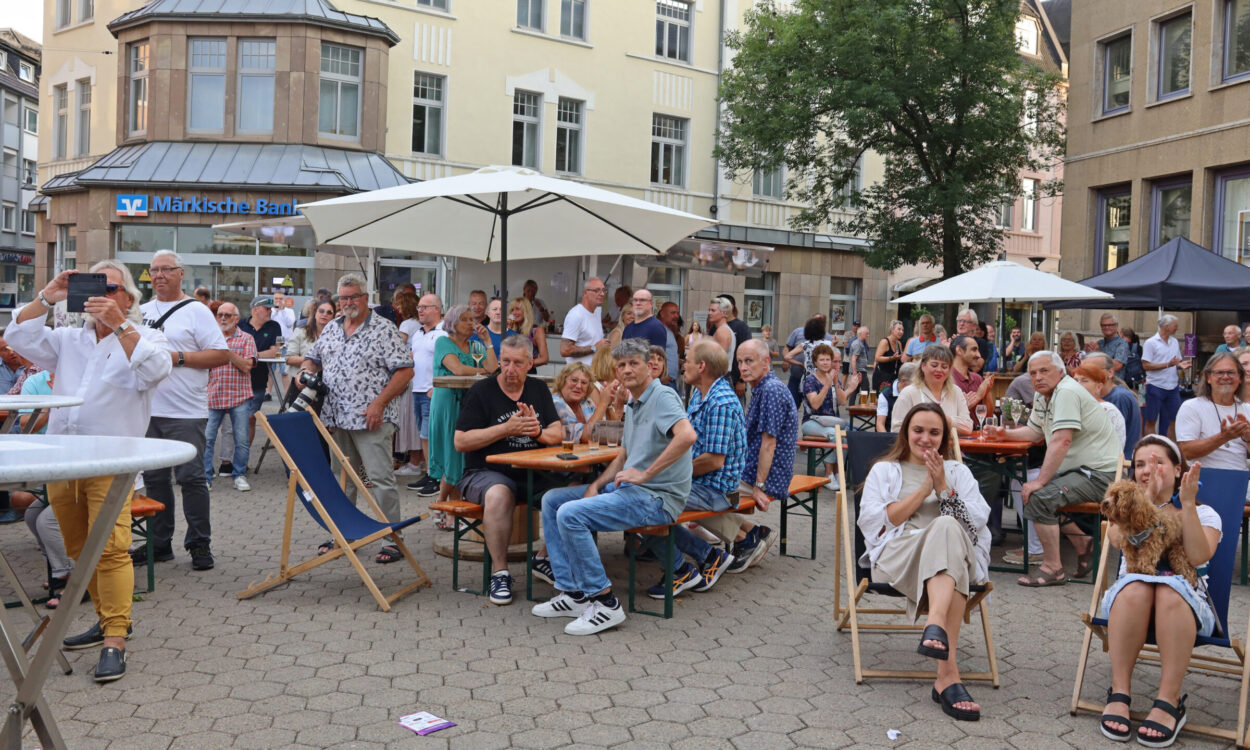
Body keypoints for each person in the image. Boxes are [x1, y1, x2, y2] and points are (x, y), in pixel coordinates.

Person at [6, 262, 172, 682]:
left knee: (111, 549)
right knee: (79, 548)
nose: (99, 294)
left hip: (112, 462)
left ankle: (115, 637)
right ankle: (106, 619)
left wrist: (119, 325)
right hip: (64, 459)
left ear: (129, 298)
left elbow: (156, 369)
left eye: (109, 287)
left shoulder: (146, 337)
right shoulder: (68, 340)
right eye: (92, 285)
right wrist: (49, 294)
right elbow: (17, 336)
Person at [532, 339, 696, 635]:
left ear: (650, 366)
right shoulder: (633, 402)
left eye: (634, 363)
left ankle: (605, 602)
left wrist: (645, 474)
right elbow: (624, 453)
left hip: (658, 498)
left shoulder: (662, 396)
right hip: (631, 492)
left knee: (571, 514)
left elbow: (687, 436)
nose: (627, 369)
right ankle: (573, 593)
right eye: (621, 365)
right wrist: (596, 484)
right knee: (553, 500)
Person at [859, 403, 990, 722]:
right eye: (918, 430)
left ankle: (936, 628)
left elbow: (975, 524)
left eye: (934, 432)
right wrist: (925, 489)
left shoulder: (958, 472)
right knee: (949, 549)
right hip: (899, 555)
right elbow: (878, 523)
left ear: (944, 437)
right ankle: (947, 675)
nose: (926, 438)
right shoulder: (885, 471)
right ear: (906, 432)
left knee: (947, 531)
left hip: (950, 555)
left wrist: (944, 487)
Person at [1097, 436, 1222, 745]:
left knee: (1168, 590)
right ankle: (1119, 692)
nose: (1147, 470)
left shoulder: (1206, 513)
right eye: (1140, 464)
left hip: (1184, 607)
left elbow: (1197, 556)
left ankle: (1169, 701)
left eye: (1157, 463)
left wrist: (1187, 504)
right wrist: (1146, 500)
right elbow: (1117, 539)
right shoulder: (1123, 512)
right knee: (1138, 587)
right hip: (1130, 601)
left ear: (1178, 470)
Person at [302, 273, 414, 564]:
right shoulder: (332, 327)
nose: (348, 302)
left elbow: (405, 370)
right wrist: (307, 370)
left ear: (365, 298)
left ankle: (392, 538)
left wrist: (379, 403)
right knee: (342, 479)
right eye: (343, 298)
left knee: (380, 479)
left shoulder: (384, 328)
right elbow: (313, 358)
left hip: (372, 417)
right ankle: (344, 534)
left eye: (353, 297)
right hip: (336, 417)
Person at [983, 351, 1121, 587]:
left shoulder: (1066, 392)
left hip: (1101, 475)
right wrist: (1004, 434)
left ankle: (1053, 568)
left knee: (1040, 496)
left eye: (1044, 371)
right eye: (1033, 373)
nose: (1038, 377)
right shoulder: (1044, 394)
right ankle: (1083, 544)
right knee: (1037, 491)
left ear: (1061, 372)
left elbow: (1061, 440)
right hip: (1080, 471)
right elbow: (1035, 432)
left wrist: (1040, 481)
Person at [137, 250, 229, 572]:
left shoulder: (197, 311)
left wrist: (177, 358)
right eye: (154, 270)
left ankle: (199, 543)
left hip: (186, 411)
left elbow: (221, 354)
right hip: (147, 409)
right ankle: (159, 543)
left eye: (166, 269)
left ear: (180, 273)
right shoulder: (140, 311)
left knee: (191, 478)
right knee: (155, 479)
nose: (159, 275)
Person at [454, 335, 563, 605]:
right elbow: (461, 441)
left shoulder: (538, 389)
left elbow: (557, 432)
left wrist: (537, 432)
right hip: (485, 471)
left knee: (572, 490)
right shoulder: (482, 391)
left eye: (517, 363)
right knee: (499, 494)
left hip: (533, 470)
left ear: (530, 364)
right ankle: (500, 573)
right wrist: (506, 429)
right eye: (505, 362)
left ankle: (543, 558)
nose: (510, 369)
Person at [639, 339, 745, 599]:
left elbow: (713, 461)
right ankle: (708, 556)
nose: (682, 364)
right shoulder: (700, 392)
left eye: (687, 360)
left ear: (702, 366)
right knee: (635, 496)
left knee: (641, 504)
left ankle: (682, 569)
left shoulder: (720, 402)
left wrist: (665, 472)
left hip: (715, 490)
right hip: (698, 482)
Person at [428, 304, 499, 505]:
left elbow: (493, 368)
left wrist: (487, 342)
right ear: (453, 323)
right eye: (465, 319)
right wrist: (483, 372)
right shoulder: (443, 342)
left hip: (469, 403)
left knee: (462, 456)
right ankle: (445, 503)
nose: (471, 323)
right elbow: (458, 369)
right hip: (448, 404)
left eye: (472, 319)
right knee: (452, 454)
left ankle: (445, 503)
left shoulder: (476, 345)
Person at [1175, 352, 1250, 500]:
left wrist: (1248, 439)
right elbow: (1187, 451)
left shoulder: (1247, 409)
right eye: (1219, 373)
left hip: (1240, 481)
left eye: (1231, 372)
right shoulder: (1192, 407)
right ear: (1208, 377)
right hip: (1204, 481)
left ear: (1240, 378)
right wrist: (1224, 437)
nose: (1225, 377)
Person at [204, 303, 258, 491]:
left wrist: (226, 352)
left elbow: (247, 366)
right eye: (220, 315)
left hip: (239, 396)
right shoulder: (210, 338)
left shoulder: (247, 338)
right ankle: (205, 477)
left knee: (241, 439)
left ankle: (239, 475)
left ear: (236, 318)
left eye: (227, 315)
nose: (223, 318)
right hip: (214, 395)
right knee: (207, 438)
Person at [404, 294, 448, 498]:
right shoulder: (418, 334)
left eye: (424, 307)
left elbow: (448, 363)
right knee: (423, 435)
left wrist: (438, 386)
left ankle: (437, 477)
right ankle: (430, 473)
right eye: (419, 307)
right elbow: (413, 358)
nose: (420, 310)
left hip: (433, 390)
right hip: (417, 389)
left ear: (437, 309)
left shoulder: (443, 333)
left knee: (431, 435)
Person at [801, 343, 859, 485]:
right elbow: (815, 404)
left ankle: (838, 473)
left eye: (828, 359)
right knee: (834, 435)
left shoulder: (834, 379)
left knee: (848, 435)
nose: (825, 362)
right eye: (822, 360)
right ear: (815, 362)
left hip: (831, 422)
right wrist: (827, 384)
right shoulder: (809, 380)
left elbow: (842, 401)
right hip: (811, 422)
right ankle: (828, 475)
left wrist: (836, 383)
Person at [891, 345, 972, 436]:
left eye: (944, 367)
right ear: (923, 366)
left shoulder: (956, 391)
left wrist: (945, 419)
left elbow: (968, 427)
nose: (939, 370)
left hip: (951, 444)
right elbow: (897, 429)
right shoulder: (908, 393)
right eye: (934, 365)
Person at [238, 296, 283, 444]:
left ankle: (243, 455)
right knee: (235, 420)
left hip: (258, 381)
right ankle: (233, 454)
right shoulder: (240, 324)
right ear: (255, 310)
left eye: (271, 309)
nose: (270, 312)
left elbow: (275, 351)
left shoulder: (274, 326)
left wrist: (253, 356)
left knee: (251, 418)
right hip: (237, 380)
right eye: (267, 309)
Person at [1085, 351, 1142, 460]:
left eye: (1093, 370)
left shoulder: (1119, 397)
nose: (1086, 375)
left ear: (1110, 372)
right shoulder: (1108, 395)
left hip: (1118, 463)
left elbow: (1110, 440)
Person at [1143, 315, 1191, 437]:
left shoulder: (1174, 342)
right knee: (1151, 420)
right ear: (1167, 326)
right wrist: (1168, 364)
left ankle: (1171, 446)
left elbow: (1175, 362)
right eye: (1175, 326)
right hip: (1155, 386)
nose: (1177, 328)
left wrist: (1180, 365)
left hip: (1172, 387)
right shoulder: (1150, 343)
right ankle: (1151, 445)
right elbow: (1146, 365)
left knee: (1175, 420)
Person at [1072, 362, 1127, 453]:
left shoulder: (1106, 409)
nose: (1078, 384)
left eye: (1084, 380)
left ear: (1098, 387)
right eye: (1075, 380)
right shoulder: (1076, 407)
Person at [560, 278, 609, 365]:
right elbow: (565, 350)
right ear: (585, 293)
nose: (602, 294)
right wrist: (594, 347)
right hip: (579, 372)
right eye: (597, 290)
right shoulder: (576, 315)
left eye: (603, 290)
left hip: (594, 371)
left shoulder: (597, 312)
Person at [949, 335, 994, 426]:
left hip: (977, 433)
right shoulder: (946, 379)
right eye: (974, 350)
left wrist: (986, 393)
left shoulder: (978, 378)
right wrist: (978, 396)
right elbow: (948, 416)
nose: (979, 355)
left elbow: (988, 416)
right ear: (959, 350)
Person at [719, 294, 755, 397]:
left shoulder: (741, 327)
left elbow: (748, 354)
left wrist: (742, 380)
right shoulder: (716, 327)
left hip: (735, 380)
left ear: (730, 307)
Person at [506, 296, 549, 371]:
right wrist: (507, 328)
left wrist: (524, 365)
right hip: (509, 371)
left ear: (526, 311)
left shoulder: (536, 330)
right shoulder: (508, 329)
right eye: (512, 310)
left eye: (517, 309)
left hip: (527, 372)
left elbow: (544, 359)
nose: (514, 313)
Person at [877, 362, 918, 432]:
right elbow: (880, 425)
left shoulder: (918, 392)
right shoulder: (885, 396)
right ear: (903, 381)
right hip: (892, 435)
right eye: (914, 382)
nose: (917, 385)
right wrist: (887, 438)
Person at [873, 320, 906, 391]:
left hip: (893, 376)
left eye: (902, 330)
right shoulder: (884, 342)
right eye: (899, 329)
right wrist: (891, 358)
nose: (901, 332)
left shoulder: (899, 343)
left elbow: (900, 360)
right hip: (882, 376)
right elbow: (877, 358)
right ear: (892, 330)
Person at [658, 300, 684, 386]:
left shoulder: (668, 331)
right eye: (673, 313)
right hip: (664, 381)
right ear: (662, 314)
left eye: (677, 313)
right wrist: (660, 376)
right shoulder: (659, 330)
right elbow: (654, 354)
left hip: (670, 380)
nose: (676, 316)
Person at [707, 297, 736, 364]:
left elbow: (718, 360)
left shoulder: (722, 331)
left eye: (713, 310)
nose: (709, 313)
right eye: (709, 310)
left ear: (724, 313)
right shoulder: (723, 329)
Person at [847, 324, 871, 400]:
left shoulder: (860, 343)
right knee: (865, 390)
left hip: (859, 370)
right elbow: (854, 359)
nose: (868, 335)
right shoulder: (858, 344)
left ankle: (853, 406)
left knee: (855, 390)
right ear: (860, 334)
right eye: (866, 333)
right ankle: (860, 406)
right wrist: (855, 373)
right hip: (860, 371)